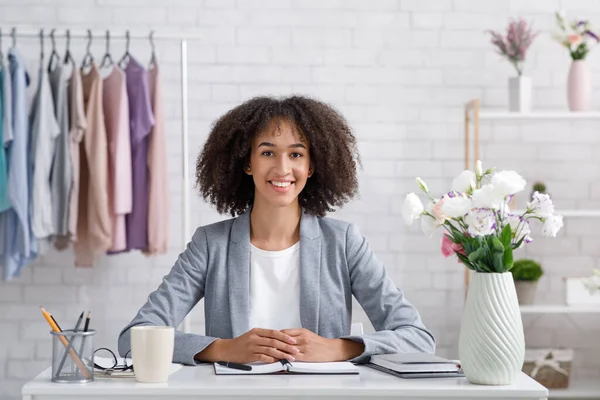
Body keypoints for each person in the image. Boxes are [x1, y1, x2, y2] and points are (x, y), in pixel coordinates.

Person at [118, 96, 435, 366]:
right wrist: (223, 348)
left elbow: (418, 338)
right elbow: (133, 339)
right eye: (268, 152)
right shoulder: (209, 244)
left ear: (310, 166)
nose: (283, 168)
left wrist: (338, 348)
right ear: (248, 163)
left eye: (296, 154)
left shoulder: (344, 242)